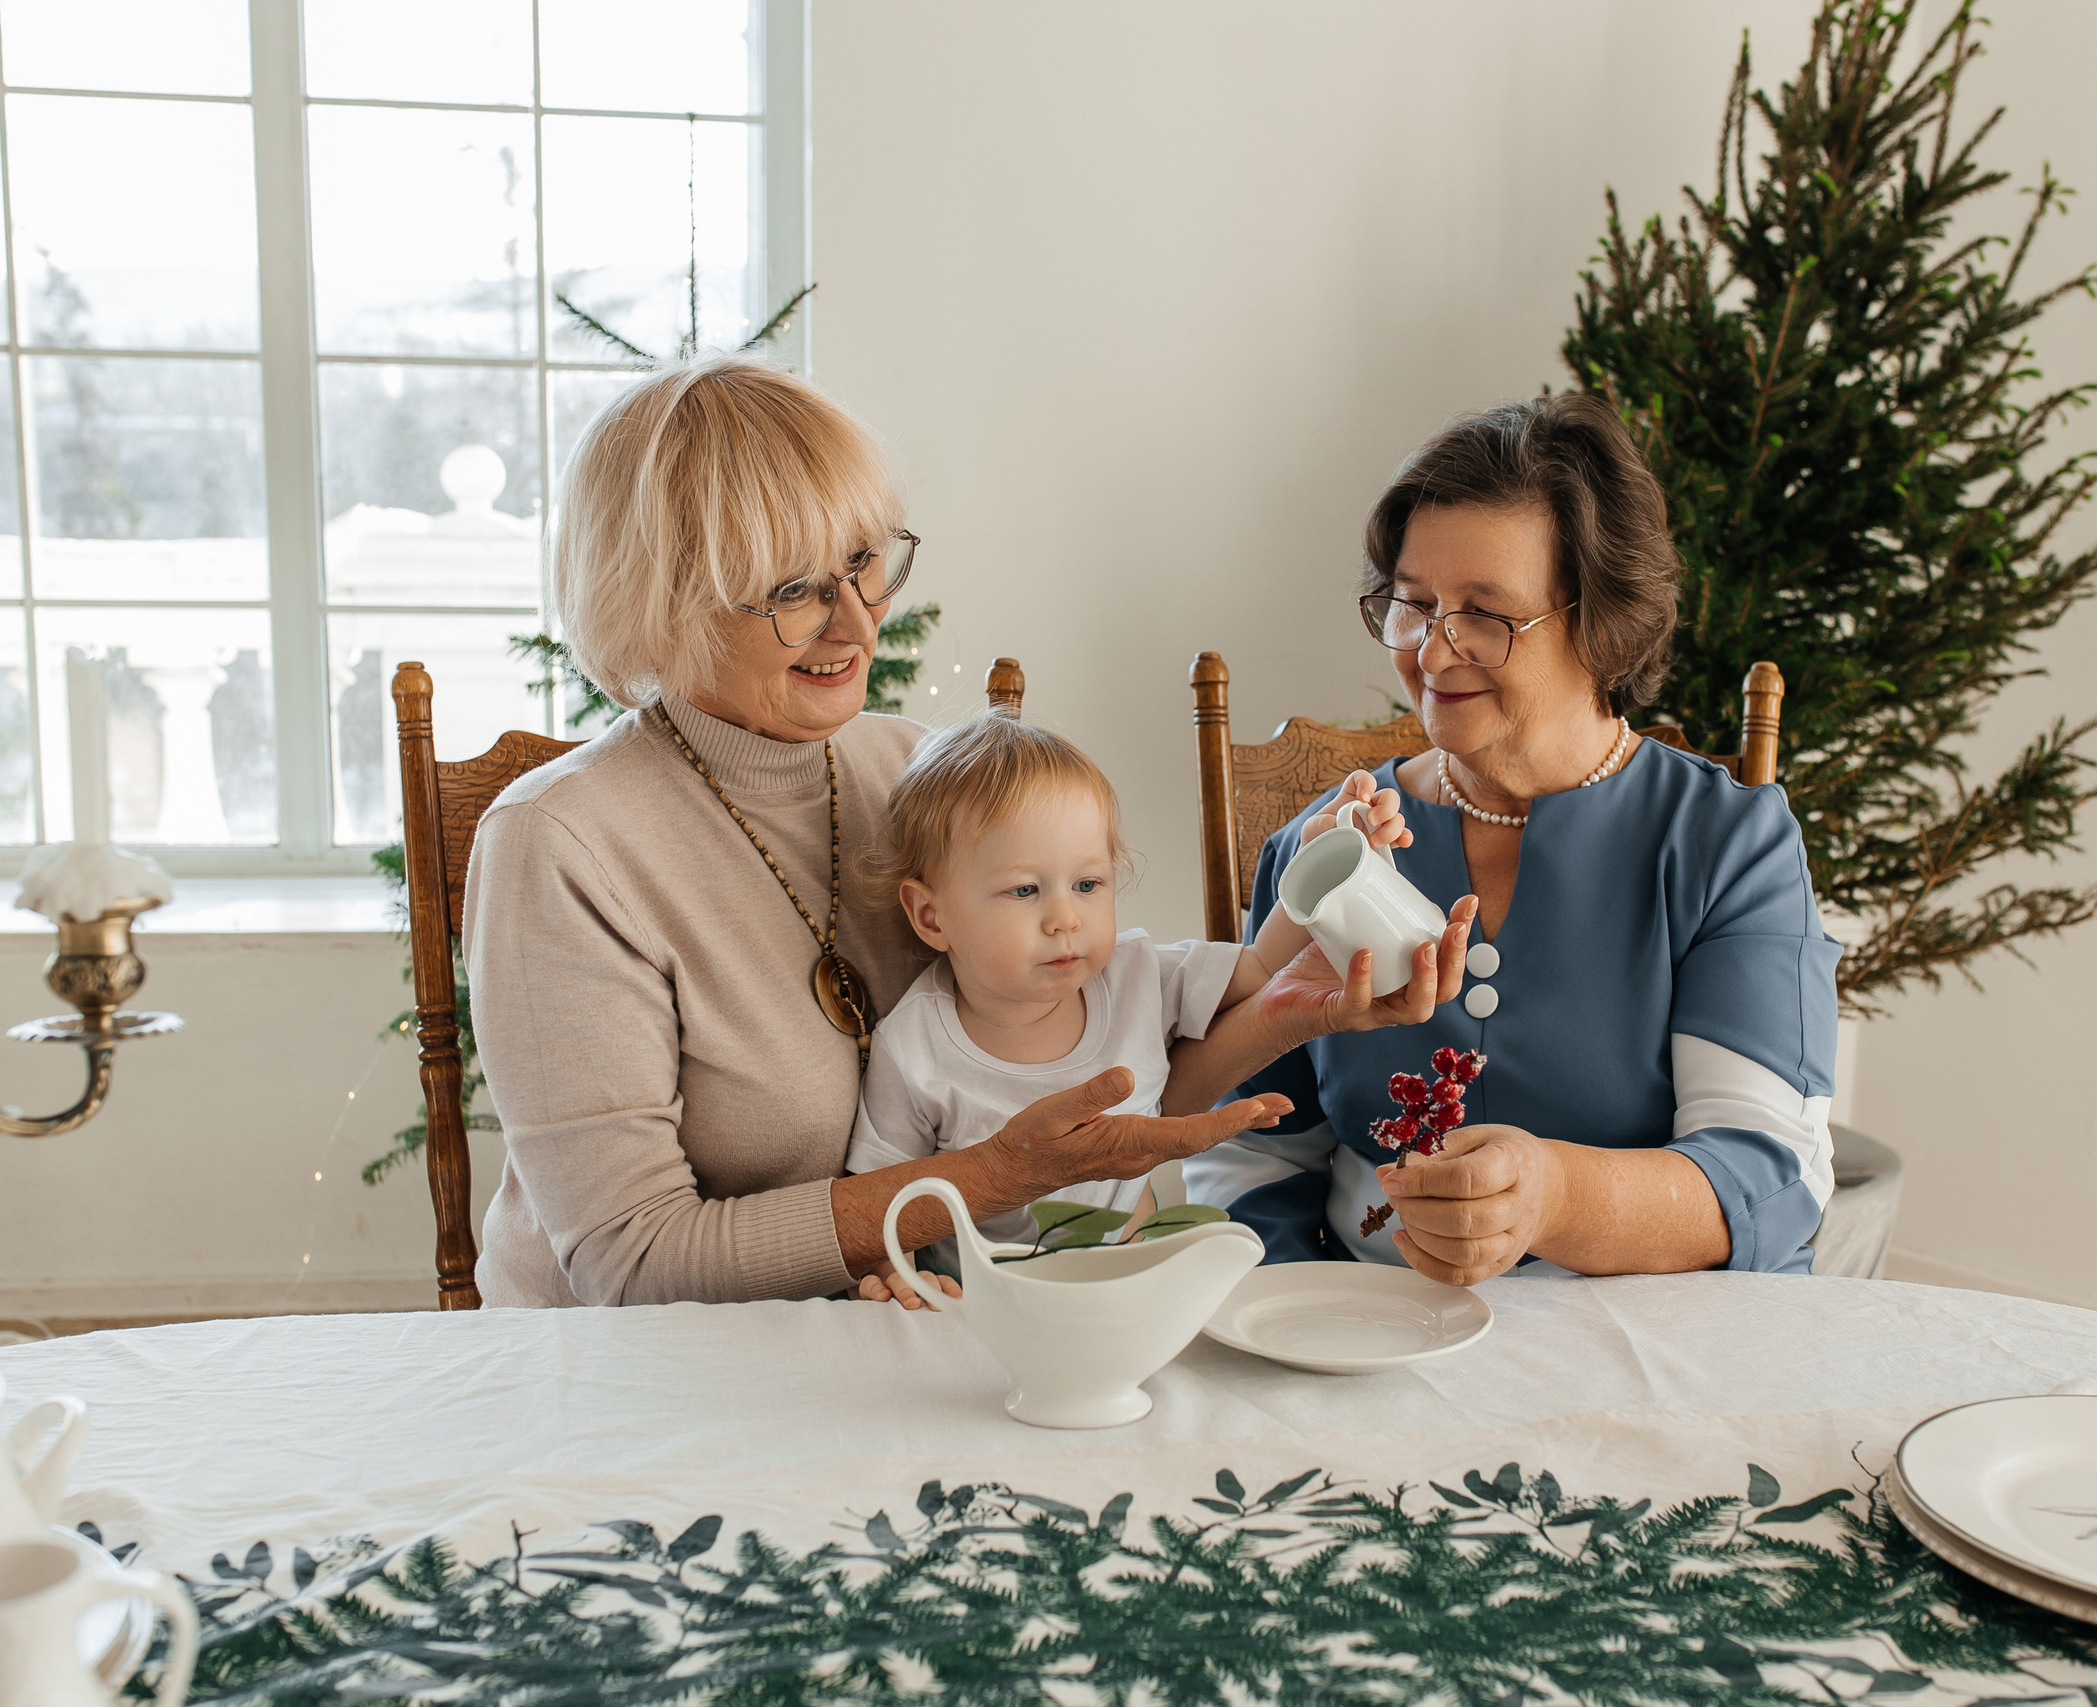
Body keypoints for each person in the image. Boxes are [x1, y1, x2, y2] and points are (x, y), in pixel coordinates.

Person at [461, 355, 1459, 1307]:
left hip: (906, 1323)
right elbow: (628, 1263)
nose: (857, 625)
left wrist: (1297, 1003)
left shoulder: (915, 772)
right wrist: (979, 1180)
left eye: (861, 564)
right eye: (795, 590)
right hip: (646, 1377)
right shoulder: (560, 845)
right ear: (665, 595)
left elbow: (1093, 1068)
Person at [1181, 393, 1844, 1282]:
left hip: (1649, 1349)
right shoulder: (1327, 852)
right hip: (1370, 1340)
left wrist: (1554, 1195)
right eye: (1413, 604)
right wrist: (1298, 1321)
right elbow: (1252, 1153)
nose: (1433, 649)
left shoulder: (1726, 842)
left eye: (1485, 615)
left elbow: (1769, 1173)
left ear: (1600, 621)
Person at [846, 710, 1472, 1248]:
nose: (1065, 918)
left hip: (1131, 1276)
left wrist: (1319, 860)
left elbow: (1257, 967)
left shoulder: (1138, 975)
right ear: (931, 916)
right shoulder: (914, 1047)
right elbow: (881, 1204)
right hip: (980, 1312)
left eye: (1088, 885)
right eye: (1025, 890)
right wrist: (879, 1271)